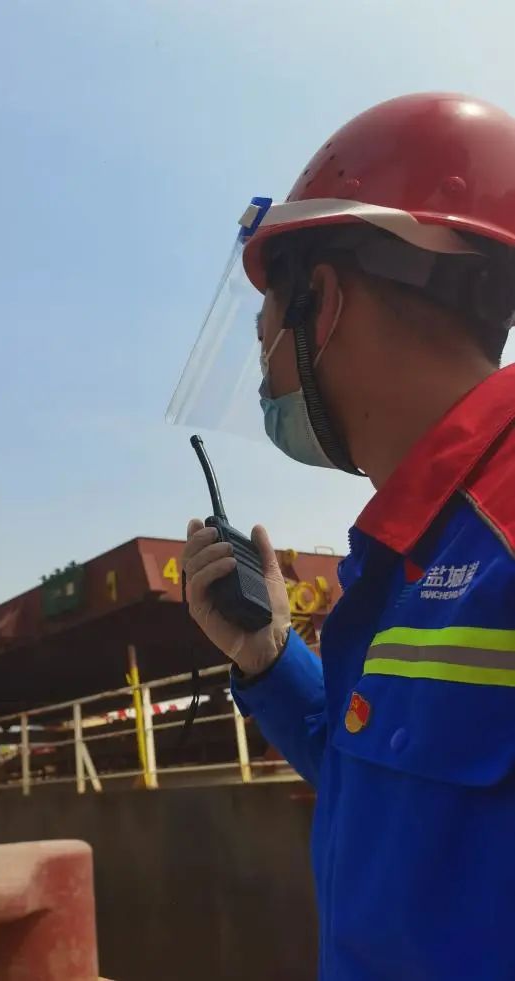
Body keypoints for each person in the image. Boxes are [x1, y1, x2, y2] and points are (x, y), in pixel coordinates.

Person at [180, 93, 515, 980]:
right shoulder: (420, 544)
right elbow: (388, 793)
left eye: (264, 338)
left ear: (321, 303)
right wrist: (266, 657)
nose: (264, 380)